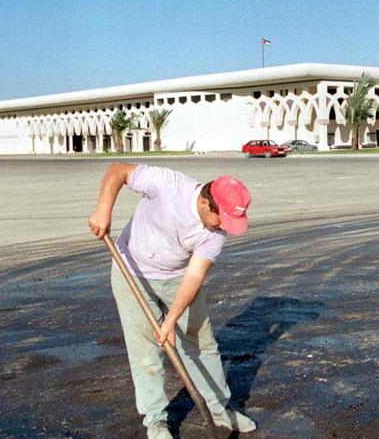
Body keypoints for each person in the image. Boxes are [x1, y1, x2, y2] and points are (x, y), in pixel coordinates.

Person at [88, 163, 258, 438]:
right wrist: (103, 210)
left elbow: (193, 277)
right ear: (206, 203)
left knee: (201, 342)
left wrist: (171, 319)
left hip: (178, 277)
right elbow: (117, 171)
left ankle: (219, 409)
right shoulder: (167, 184)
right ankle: (155, 421)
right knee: (145, 352)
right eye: (223, 219)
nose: (224, 227)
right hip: (131, 270)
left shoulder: (216, 233)